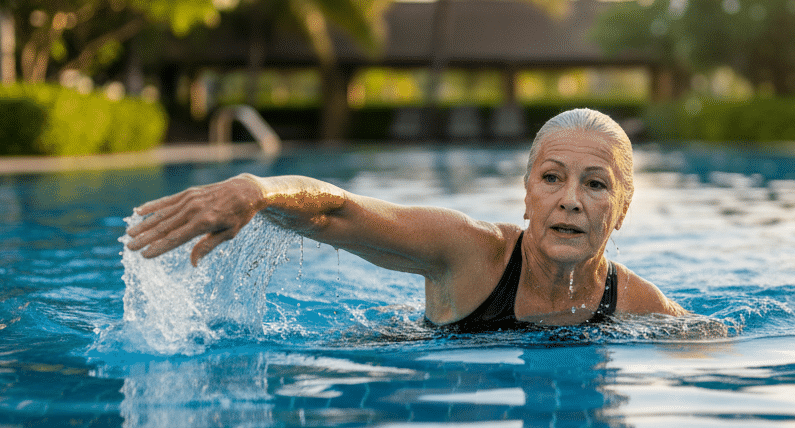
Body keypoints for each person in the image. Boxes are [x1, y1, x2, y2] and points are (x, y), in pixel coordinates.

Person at [125, 108, 686, 330]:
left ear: (622, 210)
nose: (570, 200)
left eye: (595, 185)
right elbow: (337, 212)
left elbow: (717, 347)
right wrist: (259, 189)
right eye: (551, 178)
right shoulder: (469, 252)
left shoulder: (640, 306)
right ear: (526, 194)